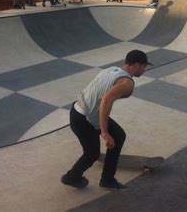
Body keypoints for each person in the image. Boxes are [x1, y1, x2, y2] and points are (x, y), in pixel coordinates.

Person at [61, 49, 153, 190]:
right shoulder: (127, 82)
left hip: (77, 109)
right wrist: (104, 132)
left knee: (118, 136)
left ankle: (107, 179)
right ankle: (72, 177)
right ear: (135, 65)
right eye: (144, 66)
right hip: (85, 119)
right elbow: (106, 101)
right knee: (92, 153)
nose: (144, 69)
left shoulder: (112, 69)